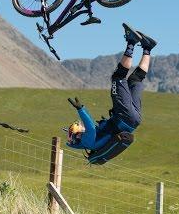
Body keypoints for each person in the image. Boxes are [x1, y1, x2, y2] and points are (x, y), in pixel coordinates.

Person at [66, 23, 157, 165]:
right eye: (76, 127)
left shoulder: (92, 143)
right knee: (118, 77)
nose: (79, 126)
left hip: (133, 121)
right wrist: (81, 109)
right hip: (123, 116)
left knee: (136, 79)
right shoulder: (87, 141)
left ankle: (147, 48)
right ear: (76, 135)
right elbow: (89, 126)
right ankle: (132, 42)